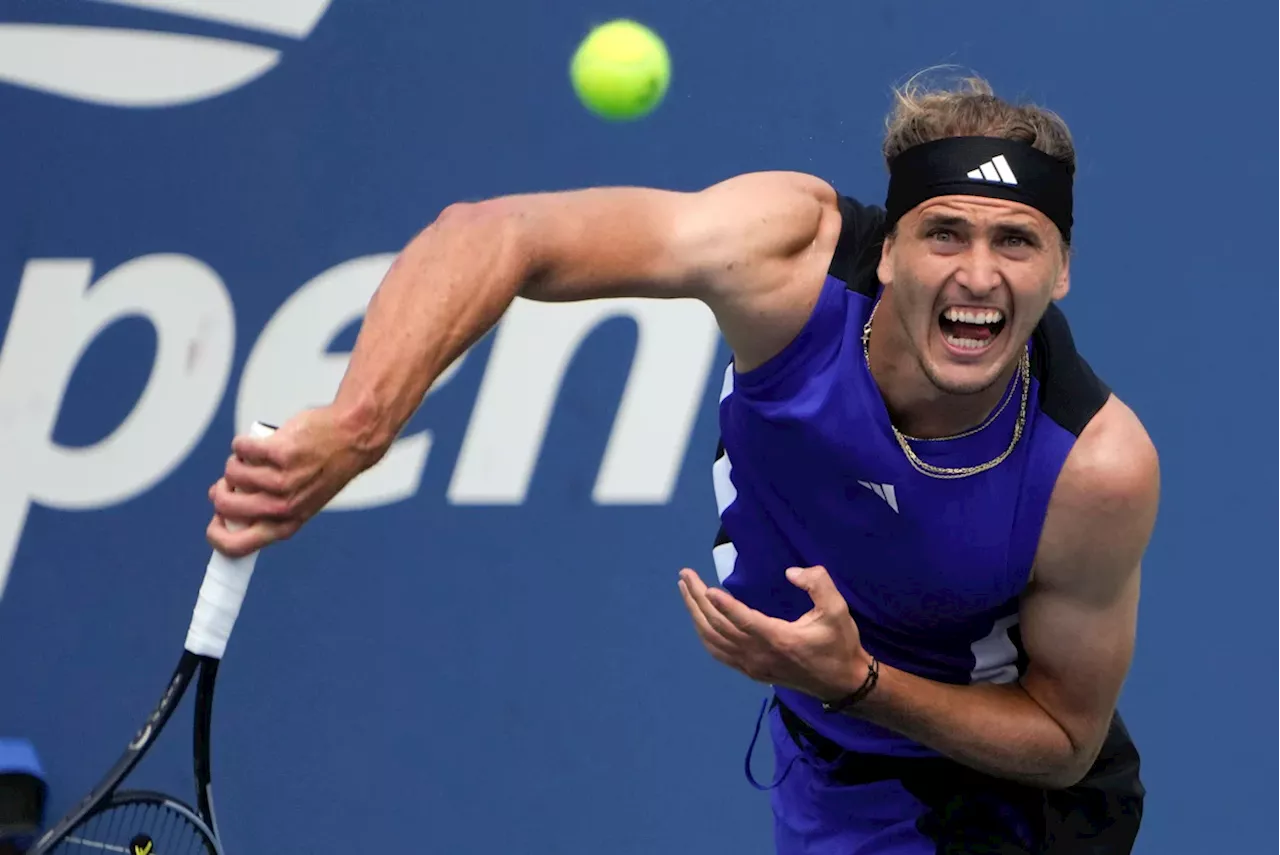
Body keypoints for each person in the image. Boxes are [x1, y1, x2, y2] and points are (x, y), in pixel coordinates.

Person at [206, 71, 1159, 853]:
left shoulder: (1093, 466)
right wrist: (360, 423)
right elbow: (498, 233)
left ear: (1062, 268)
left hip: (998, 813)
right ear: (894, 251)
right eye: (944, 232)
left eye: (1017, 242)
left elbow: (1066, 740)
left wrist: (859, 680)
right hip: (826, 767)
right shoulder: (789, 263)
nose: (979, 274)